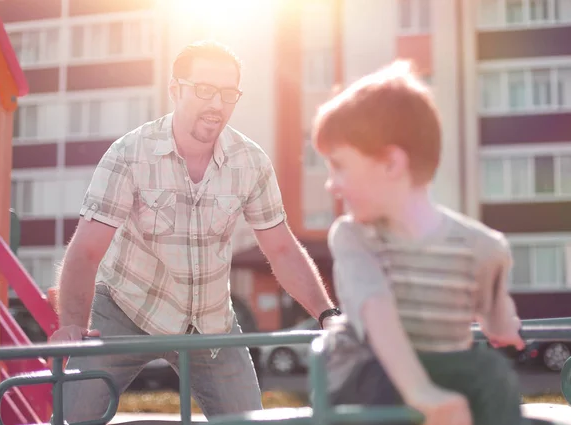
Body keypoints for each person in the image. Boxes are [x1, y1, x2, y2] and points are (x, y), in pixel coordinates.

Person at [50, 40, 341, 423]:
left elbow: (282, 250)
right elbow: (86, 251)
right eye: (204, 89)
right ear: (176, 89)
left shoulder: (250, 162)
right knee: (72, 416)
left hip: (208, 317)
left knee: (247, 419)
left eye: (228, 93)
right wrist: (72, 324)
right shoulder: (130, 154)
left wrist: (327, 314)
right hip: (127, 305)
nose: (217, 104)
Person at [311, 60, 526, 425]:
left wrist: (505, 327)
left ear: (392, 164)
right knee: (384, 383)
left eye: (339, 166)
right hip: (368, 366)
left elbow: (497, 316)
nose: (331, 184)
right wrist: (423, 395)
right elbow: (379, 316)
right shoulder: (355, 237)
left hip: (440, 362)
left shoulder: (483, 247)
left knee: (492, 375)